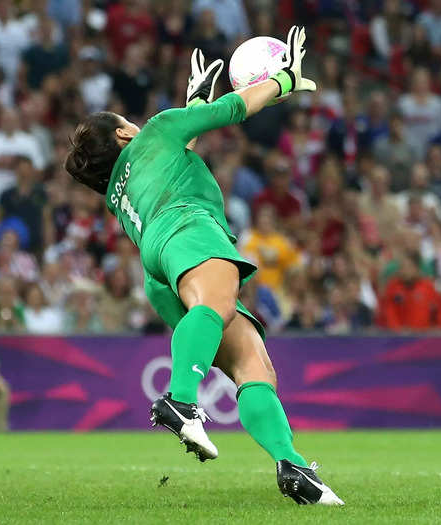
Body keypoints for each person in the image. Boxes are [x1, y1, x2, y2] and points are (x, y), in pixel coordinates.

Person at [63, 28, 343, 506]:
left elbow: (177, 156)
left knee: (250, 363)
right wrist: (284, 80)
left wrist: (191, 109)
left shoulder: (119, 189)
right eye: (131, 122)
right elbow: (236, 108)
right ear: (125, 132)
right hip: (188, 227)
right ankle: (180, 399)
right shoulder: (155, 131)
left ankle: (292, 466)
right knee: (218, 305)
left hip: (159, 266)